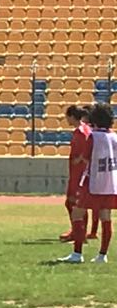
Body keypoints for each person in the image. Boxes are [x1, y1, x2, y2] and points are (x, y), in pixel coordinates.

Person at [60, 103, 117, 264]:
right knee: (106, 216)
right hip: (110, 182)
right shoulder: (114, 137)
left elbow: (84, 158)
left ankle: (77, 254)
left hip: (92, 181)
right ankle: (102, 255)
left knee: (77, 213)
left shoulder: (92, 136)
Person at [61, 105, 99, 242]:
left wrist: (80, 159)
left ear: (72, 116)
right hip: (78, 172)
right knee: (75, 204)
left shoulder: (81, 131)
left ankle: (78, 233)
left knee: (74, 203)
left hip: (79, 174)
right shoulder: (83, 130)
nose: (66, 119)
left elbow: (85, 150)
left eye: (67, 116)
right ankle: (78, 232)